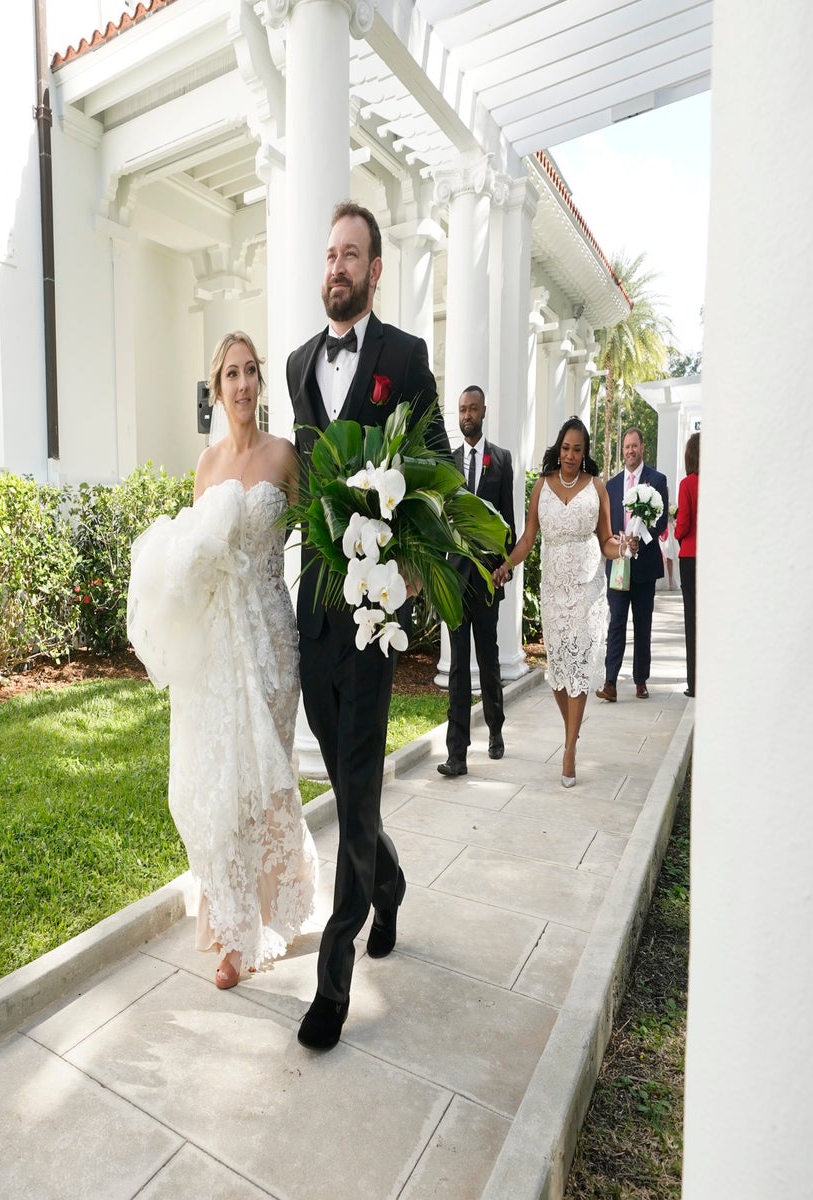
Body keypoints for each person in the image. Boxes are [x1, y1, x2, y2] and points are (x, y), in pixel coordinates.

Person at [286, 201, 449, 1050]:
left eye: (352, 255)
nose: (337, 267)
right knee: (348, 784)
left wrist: (415, 565)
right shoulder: (296, 365)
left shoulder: (407, 359)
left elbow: (437, 471)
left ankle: (334, 981)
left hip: (375, 612)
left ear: (376, 270)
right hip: (316, 607)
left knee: (356, 786)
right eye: (330, 255)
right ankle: (387, 881)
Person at [127, 331, 318, 990]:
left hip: (272, 638)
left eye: (250, 372)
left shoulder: (286, 458)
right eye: (230, 375)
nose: (242, 385)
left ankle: (277, 903)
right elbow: (193, 557)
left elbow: (320, 538)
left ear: (260, 383)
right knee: (225, 778)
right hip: (217, 646)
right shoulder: (205, 467)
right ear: (217, 389)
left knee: (268, 774)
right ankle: (234, 930)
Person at [493, 418, 632, 788]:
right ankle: (571, 729)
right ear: (559, 448)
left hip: (588, 588)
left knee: (581, 668)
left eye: (578, 450)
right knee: (558, 672)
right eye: (566, 448)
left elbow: (605, 541)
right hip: (553, 588)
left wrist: (622, 548)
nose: (571, 456)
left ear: (585, 453)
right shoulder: (542, 486)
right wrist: (507, 564)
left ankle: (569, 749)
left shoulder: (597, 487)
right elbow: (527, 538)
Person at [438, 385, 517, 778]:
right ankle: (457, 754)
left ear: (484, 410)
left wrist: (505, 565)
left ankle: (496, 730)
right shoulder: (448, 463)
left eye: (472, 408)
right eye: (461, 410)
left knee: (488, 659)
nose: (467, 415)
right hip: (455, 580)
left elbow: (508, 522)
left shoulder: (500, 459)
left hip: (486, 580)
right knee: (456, 667)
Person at [595, 427, 669, 702]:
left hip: (645, 565)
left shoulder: (657, 480)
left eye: (634, 446)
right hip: (618, 564)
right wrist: (618, 539)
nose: (630, 451)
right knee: (616, 623)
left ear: (642, 448)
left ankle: (640, 681)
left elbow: (660, 521)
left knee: (643, 624)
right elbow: (606, 522)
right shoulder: (612, 485)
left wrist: (640, 540)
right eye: (626, 446)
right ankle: (610, 681)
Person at [674, 431, 699, 697]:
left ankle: (694, 683)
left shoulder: (687, 484)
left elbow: (682, 526)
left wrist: (678, 531)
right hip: (711, 558)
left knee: (691, 620)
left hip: (690, 557)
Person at [661, 509, 679, 589]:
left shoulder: (672, 505)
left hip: (670, 531)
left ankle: (670, 580)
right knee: (662, 556)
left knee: (669, 555)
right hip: (662, 531)